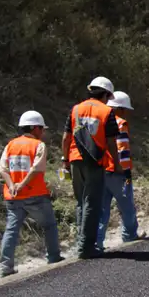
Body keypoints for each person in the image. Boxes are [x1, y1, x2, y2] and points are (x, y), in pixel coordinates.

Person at [62, 76, 121, 259]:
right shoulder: (107, 112)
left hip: (74, 160)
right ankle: (86, 248)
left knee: (81, 202)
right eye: (108, 96)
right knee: (92, 204)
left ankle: (81, 243)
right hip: (95, 162)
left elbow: (66, 138)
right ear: (104, 94)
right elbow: (111, 142)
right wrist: (117, 164)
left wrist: (65, 160)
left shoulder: (76, 109)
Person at [0, 111, 63, 276]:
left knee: (11, 230)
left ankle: (5, 267)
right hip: (35, 195)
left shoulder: (10, 145)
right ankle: (54, 257)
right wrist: (22, 184)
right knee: (49, 225)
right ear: (34, 128)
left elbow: (2, 169)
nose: (43, 132)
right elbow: (36, 169)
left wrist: (12, 185)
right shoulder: (38, 145)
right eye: (41, 128)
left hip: (13, 196)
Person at [96, 91, 145, 253]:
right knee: (127, 207)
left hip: (102, 172)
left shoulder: (100, 122)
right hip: (118, 173)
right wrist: (125, 171)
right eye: (125, 110)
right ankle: (129, 235)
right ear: (119, 109)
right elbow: (121, 149)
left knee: (102, 209)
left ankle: (97, 242)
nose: (126, 113)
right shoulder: (120, 123)